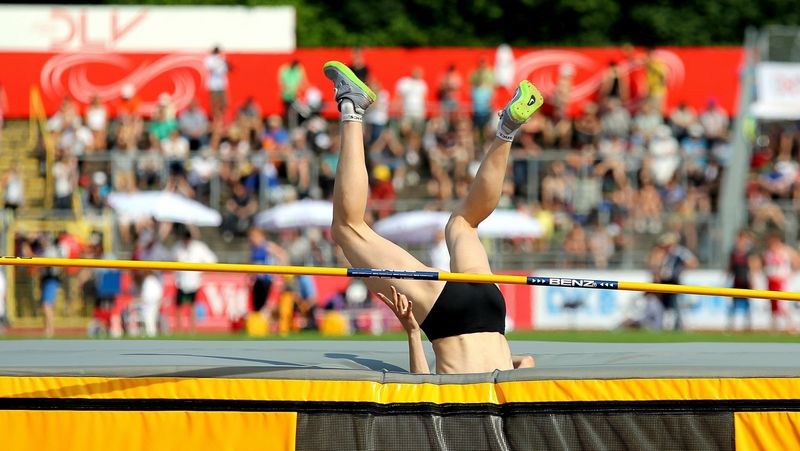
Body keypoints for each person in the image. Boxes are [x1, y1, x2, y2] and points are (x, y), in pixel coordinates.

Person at [322, 61, 538, 373]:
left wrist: (506, 362)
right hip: (449, 317)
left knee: (464, 223)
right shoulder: (462, 402)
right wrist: (412, 332)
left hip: (491, 308)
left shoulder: (512, 390)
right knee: (347, 229)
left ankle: (507, 129)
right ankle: (352, 107)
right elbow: (422, 386)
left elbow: (527, 362)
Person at [172, 228, 217, 333]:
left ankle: (192, 329)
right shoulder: (177, 247)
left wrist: (201, 273)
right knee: (179, 306)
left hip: (194, 283)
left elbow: (212, 260)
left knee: (192, 306)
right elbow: (170, 259)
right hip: (180, 282)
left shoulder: (199, 247)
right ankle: (179, 330)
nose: (186, 240)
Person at [652, 233, 698, 331]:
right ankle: (663, 325)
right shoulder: (665, 253)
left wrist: (679, 270)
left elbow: (692, 263)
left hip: (674, 281)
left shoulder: (679, 252)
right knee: (664, 305)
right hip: (664, 282)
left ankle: (678, 326)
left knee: (675, 305)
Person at [248, 228, 288, 321]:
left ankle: (268, 323)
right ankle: (259, 324)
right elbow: (251, 263)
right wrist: (250, 276)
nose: (252, 239)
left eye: (254, 236)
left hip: (267, 281)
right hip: (258, 281)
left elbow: (283, 255)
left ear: (261, 236)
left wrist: (280, 270)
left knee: (268, 307)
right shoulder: (254, 249)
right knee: (257, 306)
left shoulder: (267, 246)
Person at [762, 233, 800, 331]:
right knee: (773, 306)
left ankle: (793, 324)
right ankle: (776, 326)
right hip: (771, 281)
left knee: (783, 305)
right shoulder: (768, 253)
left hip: (782, 282)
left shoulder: (785, 251)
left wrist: (791, 273)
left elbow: (796, 259)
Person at [727, 230, 759, 331]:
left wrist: (752, 280)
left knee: (747, 305)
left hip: (745, 281)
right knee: (733, 304)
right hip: (736, 280)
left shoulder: (749, 252)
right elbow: (730, 267)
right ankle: (731, 325)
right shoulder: (733, 252)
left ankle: (748, 325)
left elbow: (752, 267)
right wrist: (726, 278)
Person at [204, 46, 230, 119]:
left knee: (224, 103)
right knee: (214, 103)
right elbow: (211, 68)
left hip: (221, 85)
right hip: (213, 85)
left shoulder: (222, 59)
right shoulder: (209, 59)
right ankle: (215, 117)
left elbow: (226, 69)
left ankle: (221, 116)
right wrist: (219, 64)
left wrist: (226, 63)